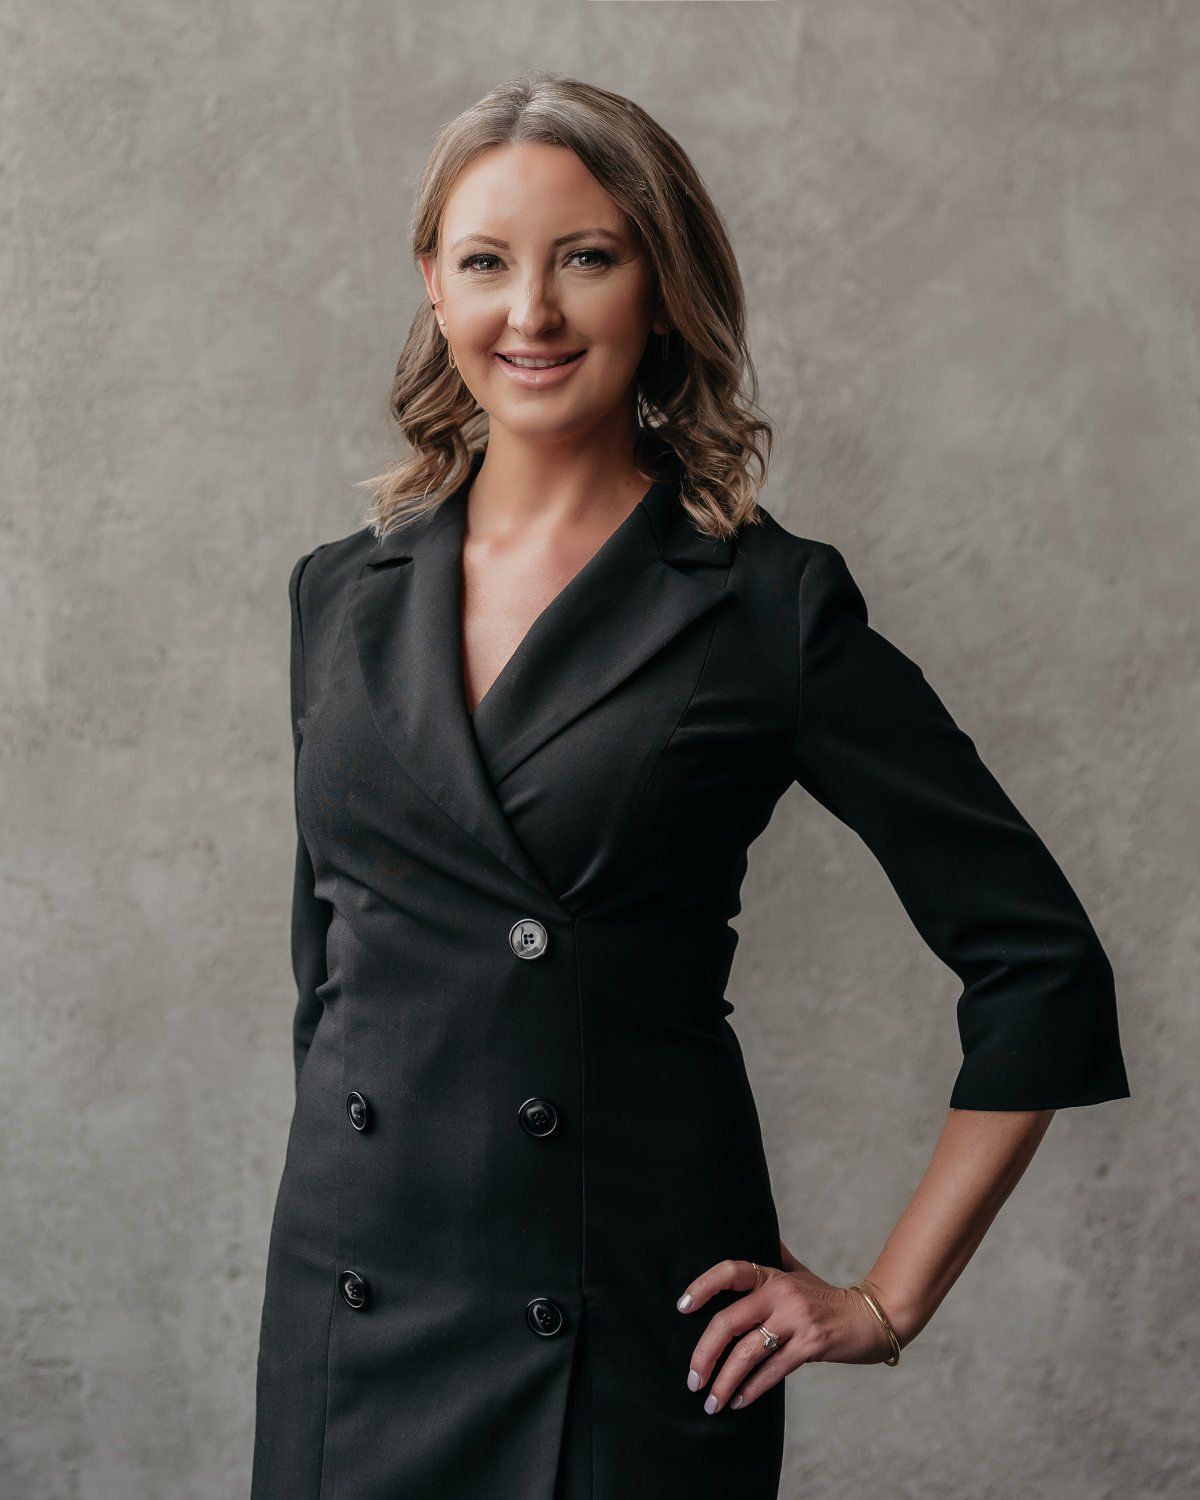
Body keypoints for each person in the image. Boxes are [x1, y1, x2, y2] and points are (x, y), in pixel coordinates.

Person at [250, 71, 1130, 1500]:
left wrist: (886, 1301)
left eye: (585, 258)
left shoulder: (762, 606)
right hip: (346, 1315)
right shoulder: (336, 597)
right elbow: (333, 980)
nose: (529, 312)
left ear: (661, 286)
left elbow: (1041, 964)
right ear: (434, 285)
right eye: (486, 263)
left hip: (613, 1337)